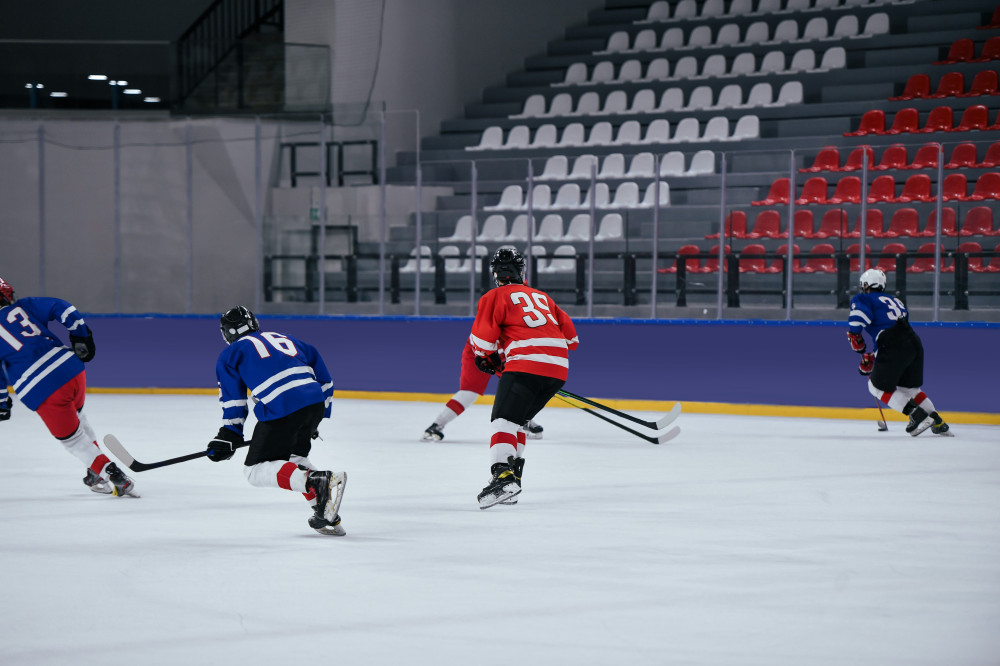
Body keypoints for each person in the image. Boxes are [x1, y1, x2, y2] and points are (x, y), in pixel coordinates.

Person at [206, 306, 347, 536]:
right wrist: (316, 418)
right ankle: (325, 513)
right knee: (295, 458)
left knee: (254, 470)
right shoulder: (288, 339)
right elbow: (325, 380)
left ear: (227, 333)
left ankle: (317, 481)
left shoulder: (230, 354)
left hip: (283, 406)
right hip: (314, 404)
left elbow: (234, 401)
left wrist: (230, 433)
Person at [0, 277, 137, 496]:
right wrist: (81, 335)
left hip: (40, 387)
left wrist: (1, 403)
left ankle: (112, 474)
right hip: (70, 369)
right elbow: (62, 307)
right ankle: (95, 470)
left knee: (73, 441)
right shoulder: (24, 306)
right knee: (78, 419)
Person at [468, 247, 579, 509]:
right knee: (517, 423)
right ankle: (513, 482)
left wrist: (487, 358)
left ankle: (503, 477)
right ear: (522, 271)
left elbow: (482, 342)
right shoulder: (542, 297)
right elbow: (572, 340)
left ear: (495, 274)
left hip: (525, 365)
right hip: (558, 369)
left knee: (503, 421)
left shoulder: (494, 296)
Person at [848, 268, 950, 437]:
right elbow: (894, 330)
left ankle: (916, 415)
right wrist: (874, 356)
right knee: (910, 389)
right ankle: (937, 421)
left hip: (892, 344)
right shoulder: (895, 300)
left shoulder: (863, 298)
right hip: (913, 342)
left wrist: (854, 335)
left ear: (866, 285)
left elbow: (859, 317)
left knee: (875, 387)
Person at [420, 340, 544, 442]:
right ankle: (437, 424)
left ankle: (524, 420)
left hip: (501, 349)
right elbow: (482, 333)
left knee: (517, 385)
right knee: (469, 392)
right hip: (479, 349)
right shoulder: (491, 321)